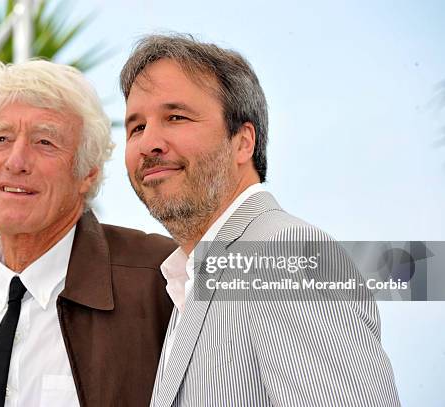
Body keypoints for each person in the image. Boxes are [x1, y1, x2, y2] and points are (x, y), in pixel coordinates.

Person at [121, 34, 401, 406]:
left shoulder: (282, 258)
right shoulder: (194, 279)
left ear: (243, 142)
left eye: (176, 117)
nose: (148, 143)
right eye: (136, 127)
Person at [0, 59, 175, 407]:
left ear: (87, 172)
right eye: (0, 139)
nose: (16, 161)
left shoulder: (161, 277)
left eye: (44, 142)